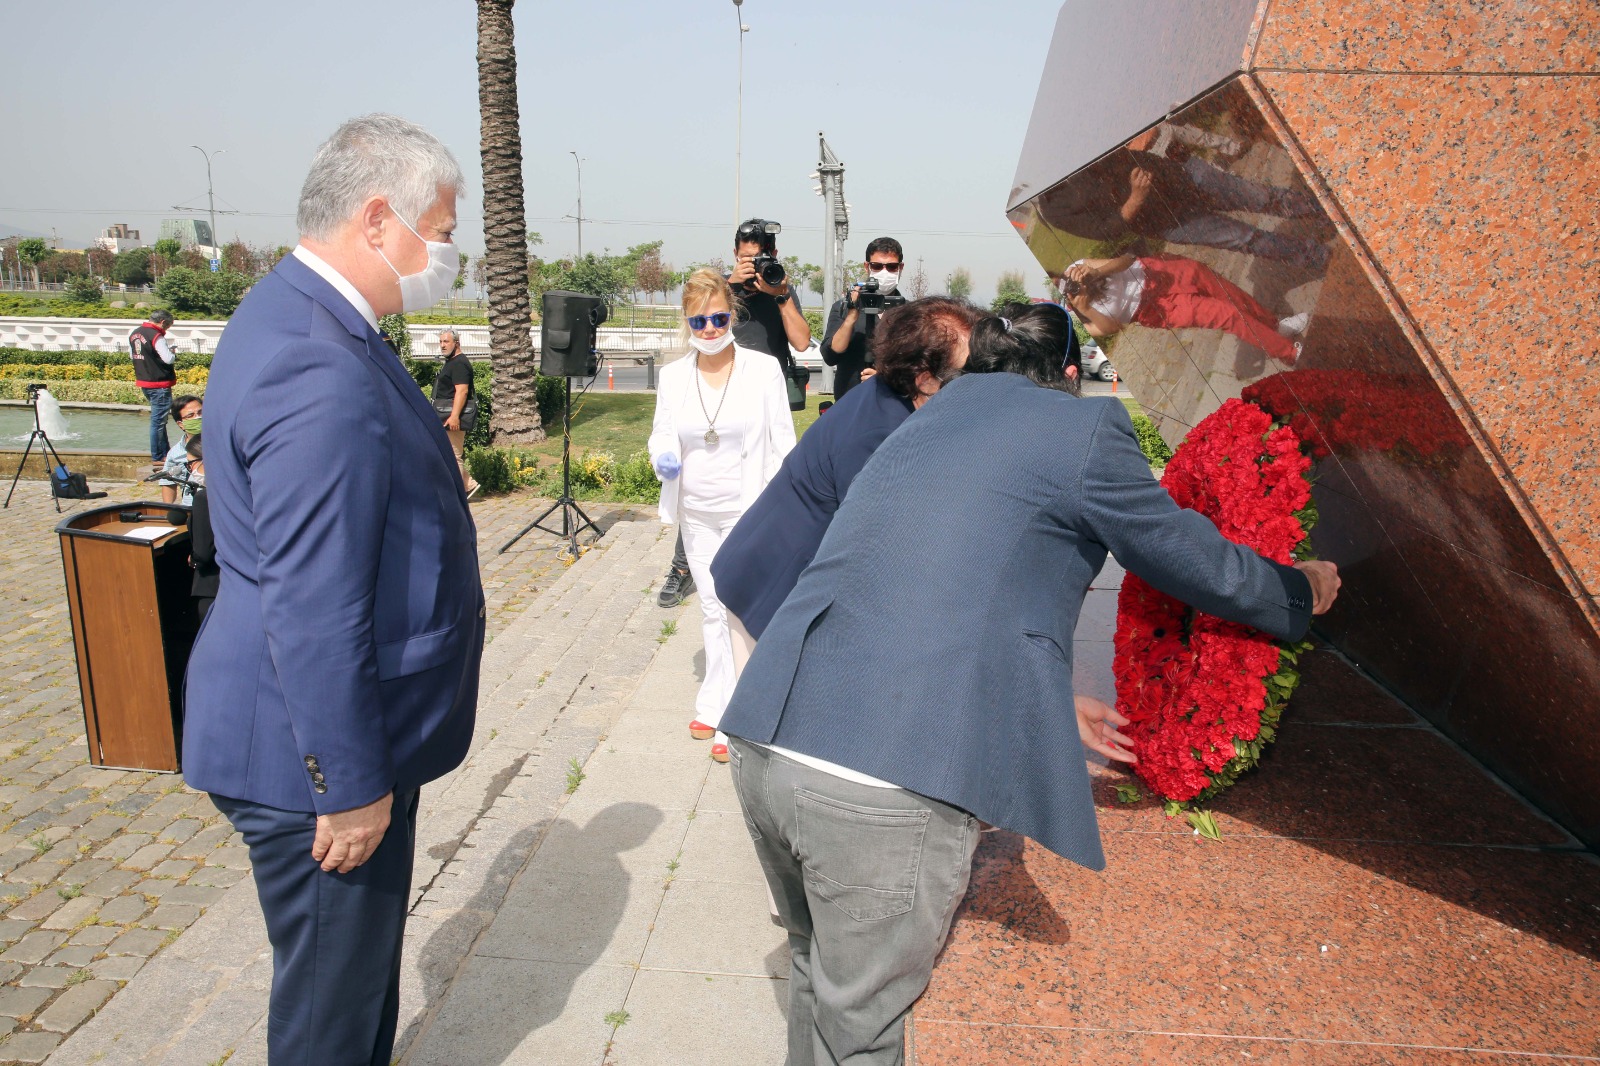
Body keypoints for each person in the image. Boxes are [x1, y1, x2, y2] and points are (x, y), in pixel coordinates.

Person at [719, 302, 1341, 1064]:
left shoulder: (921, 419)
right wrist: (1298, 588)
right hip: (880, 777)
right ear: (1069, 377)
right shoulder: (1082, 429)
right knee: (865, 1033)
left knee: (817, 975)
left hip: (765, 741)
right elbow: (1185, 554)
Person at [182, 114, 484, 1066]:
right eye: (439, 229)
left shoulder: (292, 312)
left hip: (310, 729)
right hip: (314, 756)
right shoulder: (319, 359)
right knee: (330, 1026)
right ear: (379, 218)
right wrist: (349, 787)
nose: (446, 254)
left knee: (346, 1003)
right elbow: (316, 603)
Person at [713, 296, 981, 651]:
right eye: (966, 373)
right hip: (770, 587)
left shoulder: (890, 393)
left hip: (777, 572)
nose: (975, 383)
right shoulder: (881, 437)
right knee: (765, 705)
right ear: (925, 377)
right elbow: (879, 550)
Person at [649, 268, 795, 762]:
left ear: (732, 313)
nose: (709, 330)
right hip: (696, 510)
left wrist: (781, 510)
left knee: (735, 609)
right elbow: (662, 433)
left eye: (717, 318)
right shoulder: (672, 376)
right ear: (686, 322)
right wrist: (663, 455)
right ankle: (713, 700)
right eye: (698, 321)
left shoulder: (762, 369)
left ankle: (735, 716)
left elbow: (781, 442)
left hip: (747, 508)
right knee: (712, 607)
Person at [657, 218, 814, 609]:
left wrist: (779, 294)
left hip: (760, 392)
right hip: (713, 384)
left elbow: (802, 340)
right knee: (703, 470)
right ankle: (682, 568)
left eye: (758, 258)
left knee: (760, 474)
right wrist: (730, 283)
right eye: (745, 258)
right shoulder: (720, 294)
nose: (753, 264)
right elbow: (704, 314)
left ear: (772, 256)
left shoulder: (780, 288)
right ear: (735, 255)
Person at [1063, 253, 1307, 363]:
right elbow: (1113, 328)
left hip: (1152, 272)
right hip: (1153, 309)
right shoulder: (1073, 318)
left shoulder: (1074, 268)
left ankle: (1274, 327)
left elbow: (1126, 259)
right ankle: (1288, 353)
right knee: (1225, 315)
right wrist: (1085, 306)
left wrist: (1097, 271)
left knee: (1225, 292)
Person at [821, 237, 905, 400]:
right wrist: (852, 315)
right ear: (867, 266)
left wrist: (884, 376)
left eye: (892, 267)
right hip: (851, 402)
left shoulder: (910, 313)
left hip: (894, 404)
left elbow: (917, 365)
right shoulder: (843, 307)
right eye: (877, 266)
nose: (884, 272)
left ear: (900, 268)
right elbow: (830, 356)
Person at [128, 309, 177, 473]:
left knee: (159, 420)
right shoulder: (156, 335)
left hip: (145, 381)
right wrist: (173, 353)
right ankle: (158, 456)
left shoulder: (135, 333)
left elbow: (133, 355)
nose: (167, 329)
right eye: (168, 325)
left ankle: (165, 453)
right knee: (158, 422)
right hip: (159, 383)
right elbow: (168, 359)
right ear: (163, 322)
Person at [432, 327, 478, 494]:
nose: (442, 345)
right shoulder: (452, 362)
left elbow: (462, 391)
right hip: (445, 415)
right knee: (446, 453)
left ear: (456, 343)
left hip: (451, 415)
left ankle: (456, 494)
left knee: (454, 456)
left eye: (446, 342)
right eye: (441, 342)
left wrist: (454, 416)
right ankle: (469, 485)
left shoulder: (459, 363)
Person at [185, 435, 219, 620]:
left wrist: (194, 559)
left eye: (190, 464)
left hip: (211, 584)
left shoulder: (204, 498)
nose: (190, 469)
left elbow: (203, 552)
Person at [159, 394, 203, 505]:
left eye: (200, 413)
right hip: (191, 507)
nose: (197, 417)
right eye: (190, 415)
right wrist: (168, 509)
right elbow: (168, 483)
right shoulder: (175, 453)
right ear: (181, 424)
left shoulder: (223, 443)